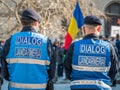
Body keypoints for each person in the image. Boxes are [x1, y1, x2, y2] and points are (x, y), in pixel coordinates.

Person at [0, 9, 53, 90]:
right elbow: (52, 71)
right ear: (35, 23)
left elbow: (4, 70)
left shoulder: (11, 41)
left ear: (22, 23)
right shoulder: (46, 42)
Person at [64, 15, 119, 90]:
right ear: (99, 29)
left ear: (83, 28)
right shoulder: (108, 47)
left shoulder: (74, 46)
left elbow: (67, 67)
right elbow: (114, 70)